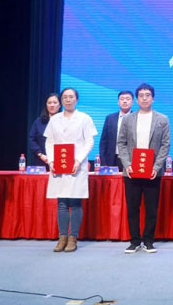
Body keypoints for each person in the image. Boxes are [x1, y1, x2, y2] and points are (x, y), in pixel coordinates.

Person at [117, 84, 170, 254]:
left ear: (153, 98)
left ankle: (148, 241)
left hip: (153, 172)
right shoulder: (128, 119)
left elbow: (165, 145)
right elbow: (121, 143)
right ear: (137, 99)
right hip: (132, 171)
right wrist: (127, 164)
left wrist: (156, 166)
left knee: (151, 208)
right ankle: (134, 241)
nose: (145, 98)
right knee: (132, 208)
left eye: (148, 95)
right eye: (141, 95)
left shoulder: (162, 119)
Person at [44, 87, 98, 253]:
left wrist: (78, 160)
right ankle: (62, 237)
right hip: (59, 165)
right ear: (61, 100)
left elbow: (89, 142)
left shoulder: (84, 118)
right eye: (65, 97)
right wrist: (51, 161)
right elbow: (49, 142)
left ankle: (73, 237)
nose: (68, 100)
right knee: (61, 202)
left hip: (76, 165)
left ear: (76, 99)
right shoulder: (55, 119)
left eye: (71, 97)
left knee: (75, 202)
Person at [98, 90, 134, 168]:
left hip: (131, 160)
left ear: (132, 102)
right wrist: (103, 163)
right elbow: (103, 142)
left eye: (128, 99)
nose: (125, 101)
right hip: (112, 159)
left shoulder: (137, 118)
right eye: (122, 99)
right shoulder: (110, 118)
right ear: (118, 102)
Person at [28, 93, 60, 166]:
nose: (52, 105)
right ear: (46, 105)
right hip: (41, 160)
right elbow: (32, 139)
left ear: (60, 105)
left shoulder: (64, 121)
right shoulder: (38, 122)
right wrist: (40, 155)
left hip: (60, 160)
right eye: (49, 103)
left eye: (55, 102)